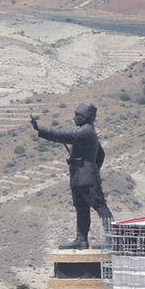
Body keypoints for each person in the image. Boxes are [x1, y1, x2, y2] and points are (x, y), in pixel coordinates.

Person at [30, 102, 113, 248]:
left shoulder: (85, 132)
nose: (74, 118)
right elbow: (100, 154)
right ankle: (81, 239)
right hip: (80, 175)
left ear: (85, 117)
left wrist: (39, 129)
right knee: (81, 208)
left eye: (77, 115)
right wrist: (92, 167)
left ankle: (112, 239)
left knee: (100, 207)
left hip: (85, 177)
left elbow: (63, 136)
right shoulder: (87, 132)